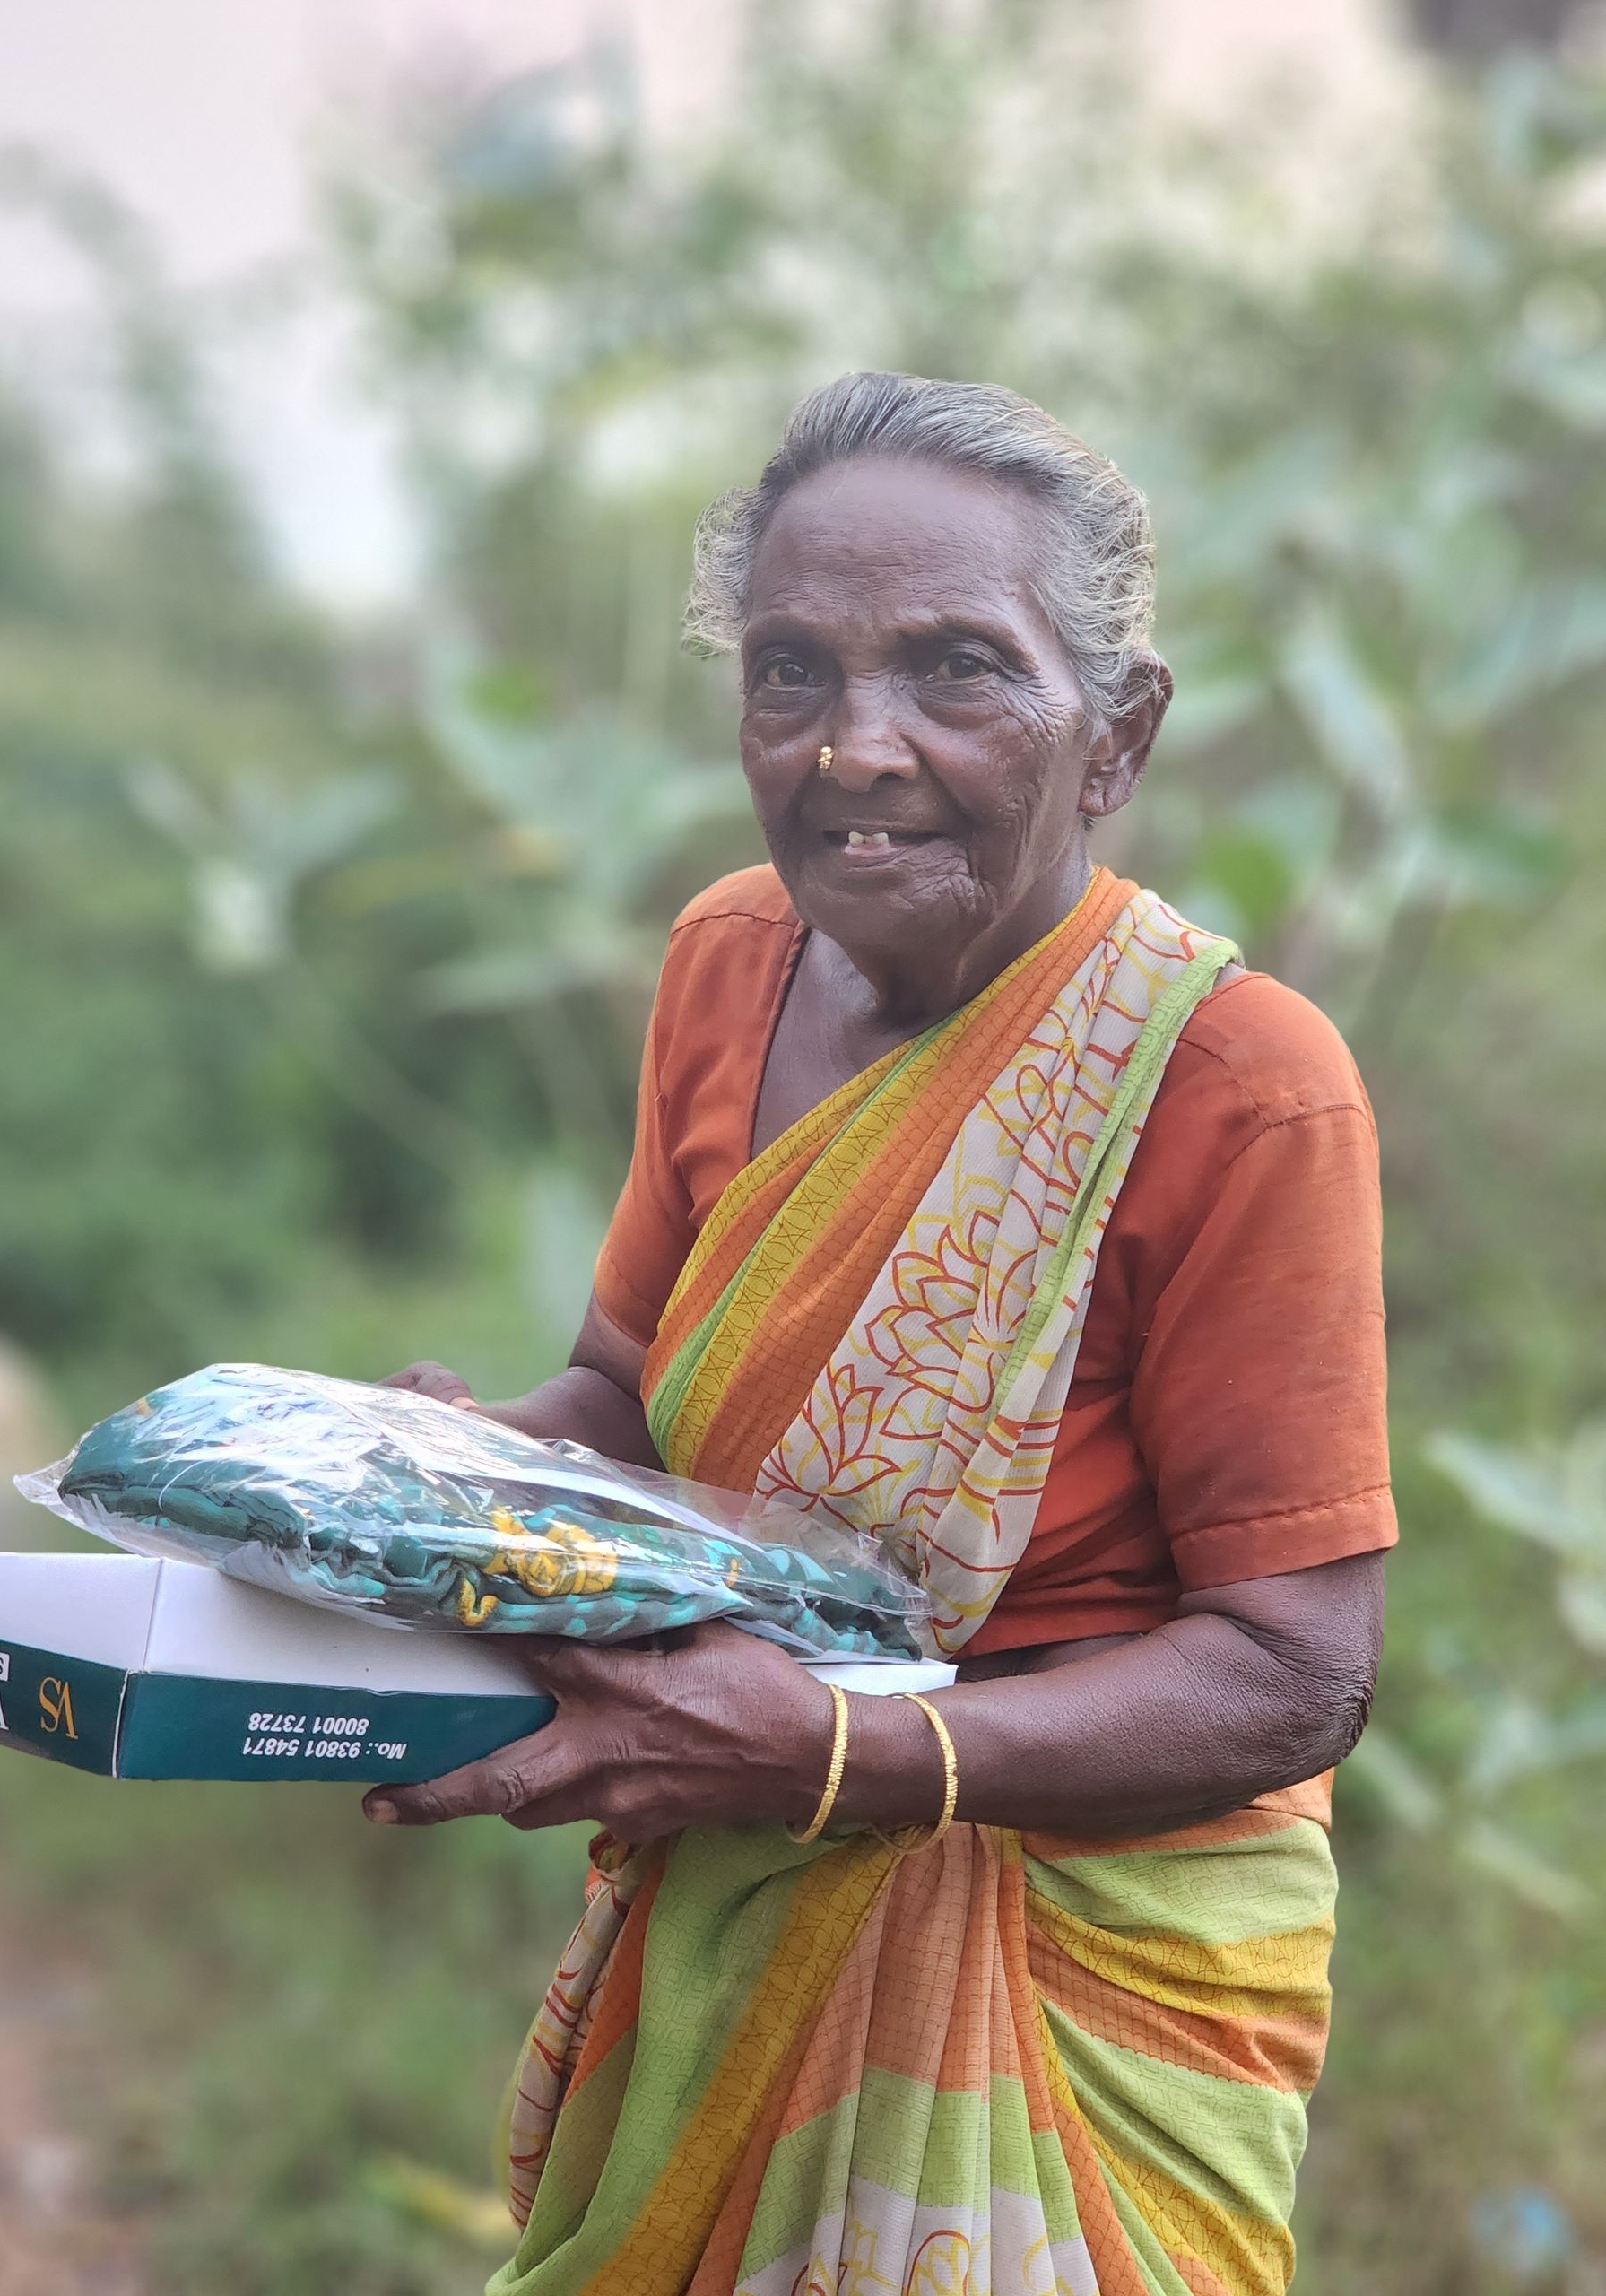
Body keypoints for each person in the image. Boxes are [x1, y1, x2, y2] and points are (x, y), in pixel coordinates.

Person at [369, 372, 1394, 2296]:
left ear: (1121, 733)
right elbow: (627, 1384)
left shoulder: (1242, 1087)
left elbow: (1293, 1672)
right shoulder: (726, 961)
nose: (858, 748)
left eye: (956, 669)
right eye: (790, 673)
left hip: (1082, 1986)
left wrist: (837, 1751)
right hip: (740, 1905)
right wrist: (455, 1476)